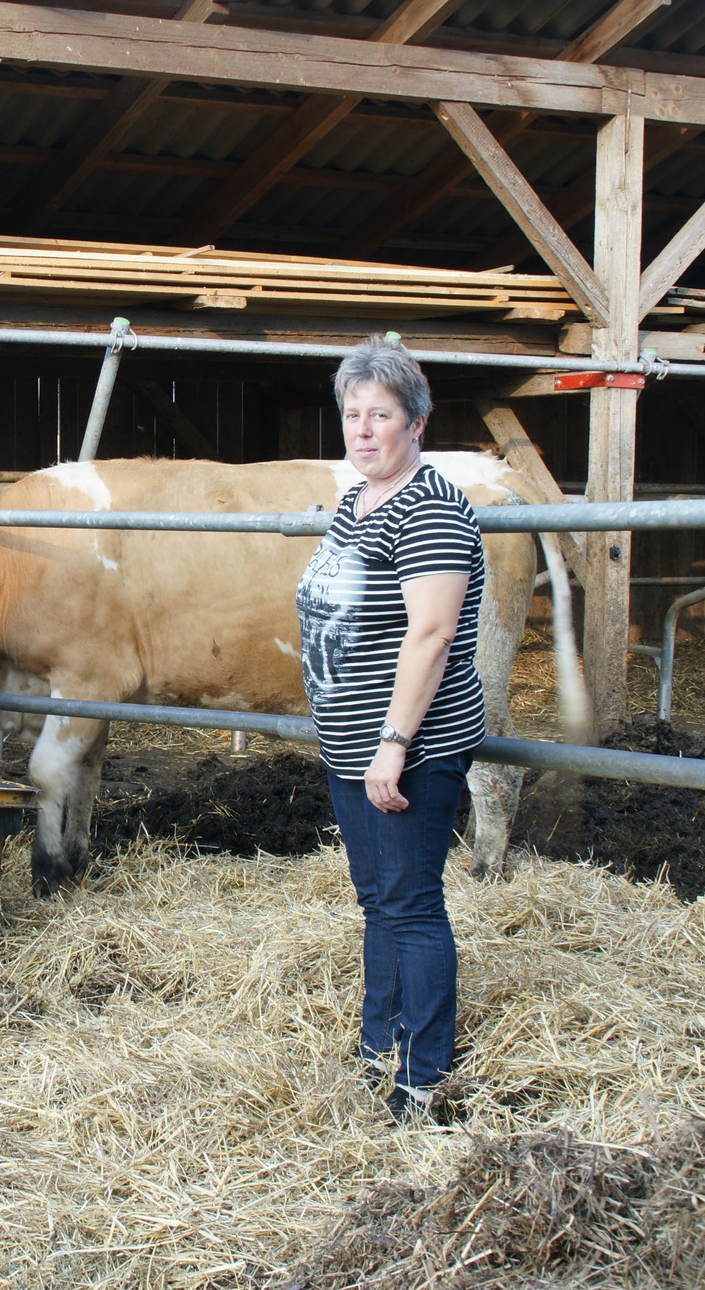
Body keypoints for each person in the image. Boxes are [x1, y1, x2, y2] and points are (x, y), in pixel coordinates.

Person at [296, 335, 486, 1119]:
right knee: (377, 899)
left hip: (409, 745)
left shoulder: (431, 507)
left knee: (411, 902)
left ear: (417, 424)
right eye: (353, 414)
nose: (364, 429)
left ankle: (423, 1073)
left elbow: (431, 635)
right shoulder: (357, 501)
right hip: (352, 741)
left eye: (381, 415)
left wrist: (394, 743)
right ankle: (380, 1048)